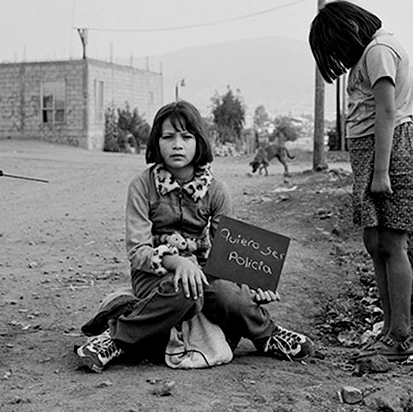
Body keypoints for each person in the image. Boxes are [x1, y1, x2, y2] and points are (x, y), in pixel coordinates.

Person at [74, 100, 314, 372]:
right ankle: (115, 338)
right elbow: (137, 250)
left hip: (204, 273)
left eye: (186, 137)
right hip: (154, 276)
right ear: (156, 141)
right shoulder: (142, 186)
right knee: (185, 293)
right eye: (168, 137)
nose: (178, 144)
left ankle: (267, 335)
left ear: (199, 142)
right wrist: (177, 263)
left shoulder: (216, 190)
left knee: (229, 296)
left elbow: (228, 253)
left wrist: (251, 285)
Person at [308, 1, 413, 361]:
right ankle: (390, 332)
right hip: (373, 157)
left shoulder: (378, 50)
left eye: (337, 48)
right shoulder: (371, 52)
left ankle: (402, 337)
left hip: (393, 155)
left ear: (349, 32)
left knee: (392, 245)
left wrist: (380, 171)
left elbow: (387, 110)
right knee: (375, 244)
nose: (340, 57)